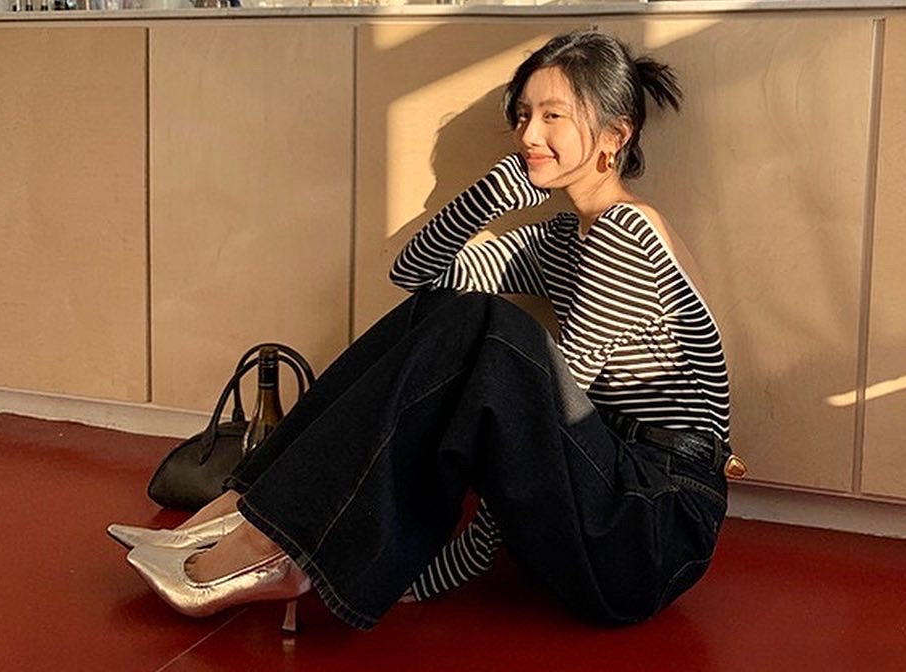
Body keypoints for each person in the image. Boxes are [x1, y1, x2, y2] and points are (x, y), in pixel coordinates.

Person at [110, 32, 736, 631]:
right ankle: (247, 510)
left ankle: (266, 540)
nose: (528, 135)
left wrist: (443, 571)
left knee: (488, 325)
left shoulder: (628, 234)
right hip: (606, 497)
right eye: (523, 116)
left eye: (553, 116)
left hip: (651, 527)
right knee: (446, 311)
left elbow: (546, 418)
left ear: (615, 136)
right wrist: (494, 192)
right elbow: (417, 274)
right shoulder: (562, 240)